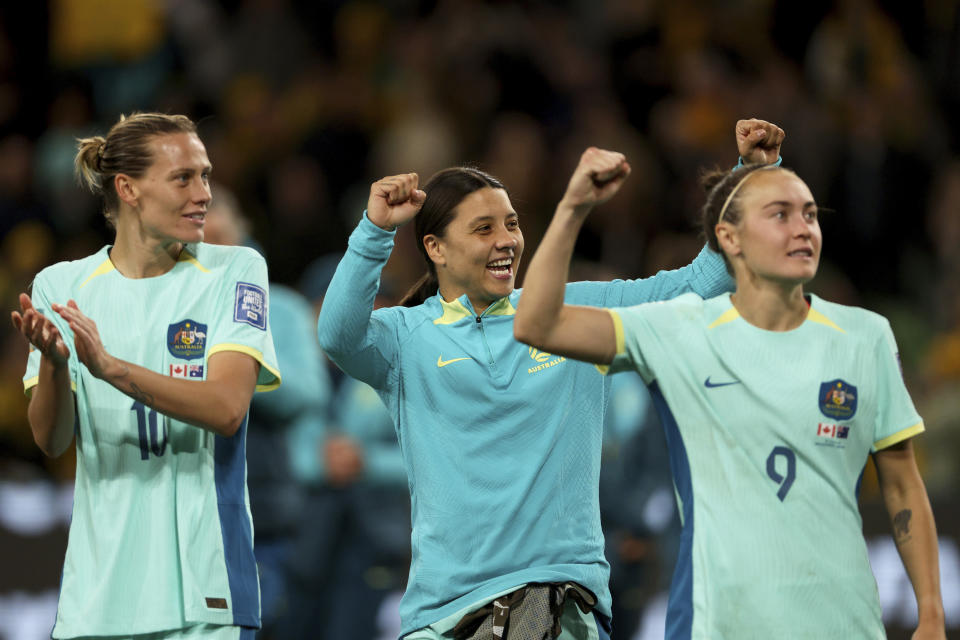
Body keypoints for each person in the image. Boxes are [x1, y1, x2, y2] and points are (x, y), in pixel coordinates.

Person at [316, 121, 784, 639]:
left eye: (511, 224)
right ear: (436, 248)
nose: (507, 241)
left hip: (556, 606)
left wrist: (751, 178)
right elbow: (337, 334)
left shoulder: (573, 312)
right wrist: (375, 231)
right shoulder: (405, 339)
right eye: (483, 228)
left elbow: (699, 284)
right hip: (441, 615)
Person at [513, 154, 946, 639]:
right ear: (729, 238)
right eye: (780, 214)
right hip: (718, 624)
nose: (803, 228)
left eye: (809, 213)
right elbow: (536, 322)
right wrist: (574, 208)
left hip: (845, 624)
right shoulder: (677, 329)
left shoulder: (865, 336)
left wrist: (930, 613)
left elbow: (903, 484)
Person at [11, 113, 281, 640]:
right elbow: (51, 438)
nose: (203, 193)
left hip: (207, 595)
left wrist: (111, 369)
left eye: (205, 175)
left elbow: (227, 409)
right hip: (96, 599)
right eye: (184, 178)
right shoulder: (62, 286)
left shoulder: (234, 271)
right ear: (128, 189)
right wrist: (55, 363)